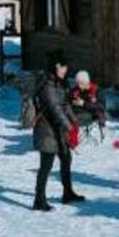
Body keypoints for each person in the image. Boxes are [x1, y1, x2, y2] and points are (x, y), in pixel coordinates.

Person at [32, 50, 83, 211]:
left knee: (66, 158)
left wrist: (74, 122)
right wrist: (69, 127)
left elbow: (65, 105)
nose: (65, 70)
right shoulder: (47, 85)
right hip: (47, 129)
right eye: (63, 67)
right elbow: (55, 109)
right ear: (55, 67)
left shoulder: (59, 83)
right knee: (46, 165)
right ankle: (39, 200)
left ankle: (67, 192)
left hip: (58, 129)